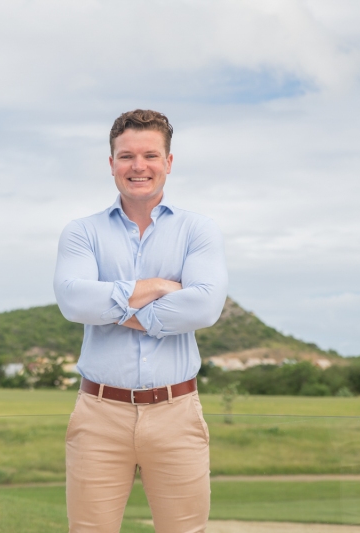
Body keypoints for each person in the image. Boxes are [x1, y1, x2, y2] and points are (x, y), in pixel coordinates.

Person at [54, 109, 228, 533]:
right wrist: (158, 285)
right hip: (98, 414)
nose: (138, 166)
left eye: (150, 155)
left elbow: (205, 307)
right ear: (111, 163)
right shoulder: (81, 233)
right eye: (126, 156)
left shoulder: (198, 230)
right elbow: (74, 301)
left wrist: (115, 309)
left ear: (168, 162)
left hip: (177, 413)